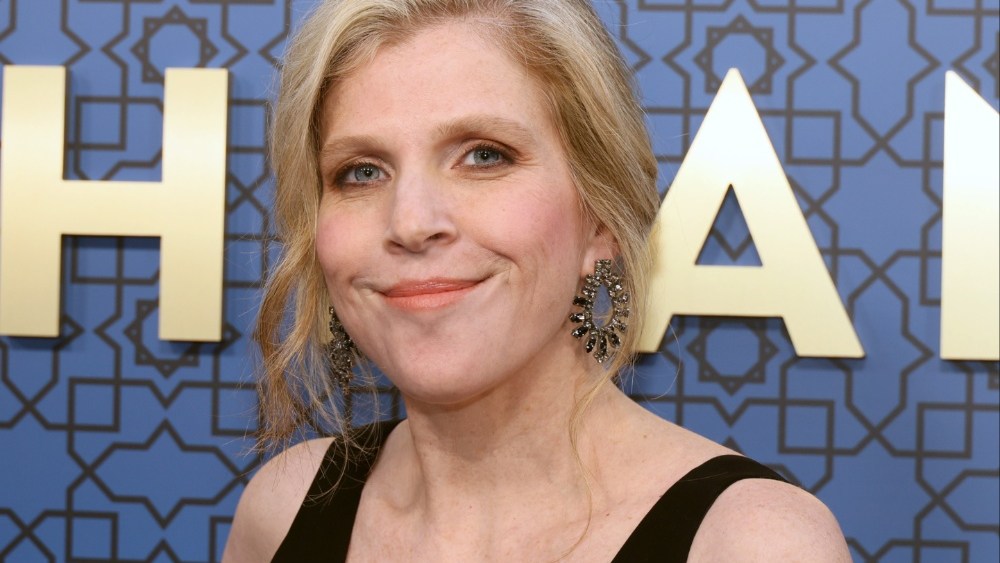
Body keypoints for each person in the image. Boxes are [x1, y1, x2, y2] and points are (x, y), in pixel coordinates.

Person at [223, 0, 851, 560]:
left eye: (484, 156)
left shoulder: (751, 543)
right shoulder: (283, 509)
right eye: (362, 172)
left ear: (599, 219)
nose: (410, 223)